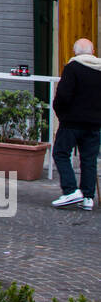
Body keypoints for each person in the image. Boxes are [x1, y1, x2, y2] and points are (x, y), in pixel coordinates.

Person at [51, 37, 101, 210]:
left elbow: (63, 95)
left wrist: (61, 114)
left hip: (71, 122)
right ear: (93, 52)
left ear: (75, 52)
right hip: (94, 123)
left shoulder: (72, 68)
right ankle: (88, 197)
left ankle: (71, 190)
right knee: (89, 159)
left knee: (60, 153)